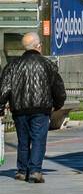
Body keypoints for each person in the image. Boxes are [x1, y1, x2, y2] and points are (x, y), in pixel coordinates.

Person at [0, 32, 66, 184]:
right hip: (41, 109)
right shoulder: (47, 64)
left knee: (23, 140)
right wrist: (58, 104)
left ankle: (22, 171)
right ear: (38, 46)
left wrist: (1, 107)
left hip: (19, 110)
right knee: (38, 139)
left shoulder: (13, 65)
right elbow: (58, 88)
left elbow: (4, 89)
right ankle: (35, 171)